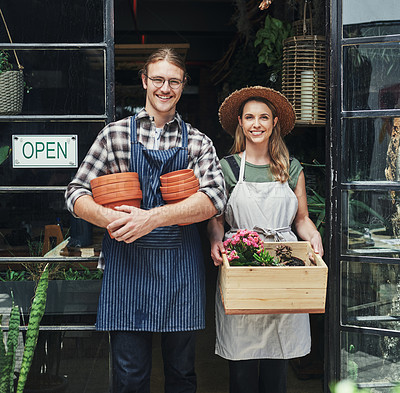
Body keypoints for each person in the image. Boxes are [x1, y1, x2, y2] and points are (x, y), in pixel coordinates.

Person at [65, 48, 226, 393]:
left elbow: (214, 199)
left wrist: (150, 219)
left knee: (182, 375)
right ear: (144, 81)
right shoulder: (114, 136)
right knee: (129, 378)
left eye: (173, 81)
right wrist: (112, 219)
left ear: (183, 86)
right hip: (127, 271)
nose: (164, 88)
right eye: (158, 80)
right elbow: (76, 193)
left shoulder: (198, 142)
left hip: (179, 274)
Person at [207, 86, 324, 393]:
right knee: (242, 370)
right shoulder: (228, 168)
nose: (256, 124)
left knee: (277, 367)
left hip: (284, 267)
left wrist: (314, 237)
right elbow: (216, 221)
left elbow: (301, 219)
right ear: (240, 124)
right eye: (249, 117)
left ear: (274, 123)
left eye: (263, 117)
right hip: (242, 267)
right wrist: (215, 241)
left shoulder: (291, 168)